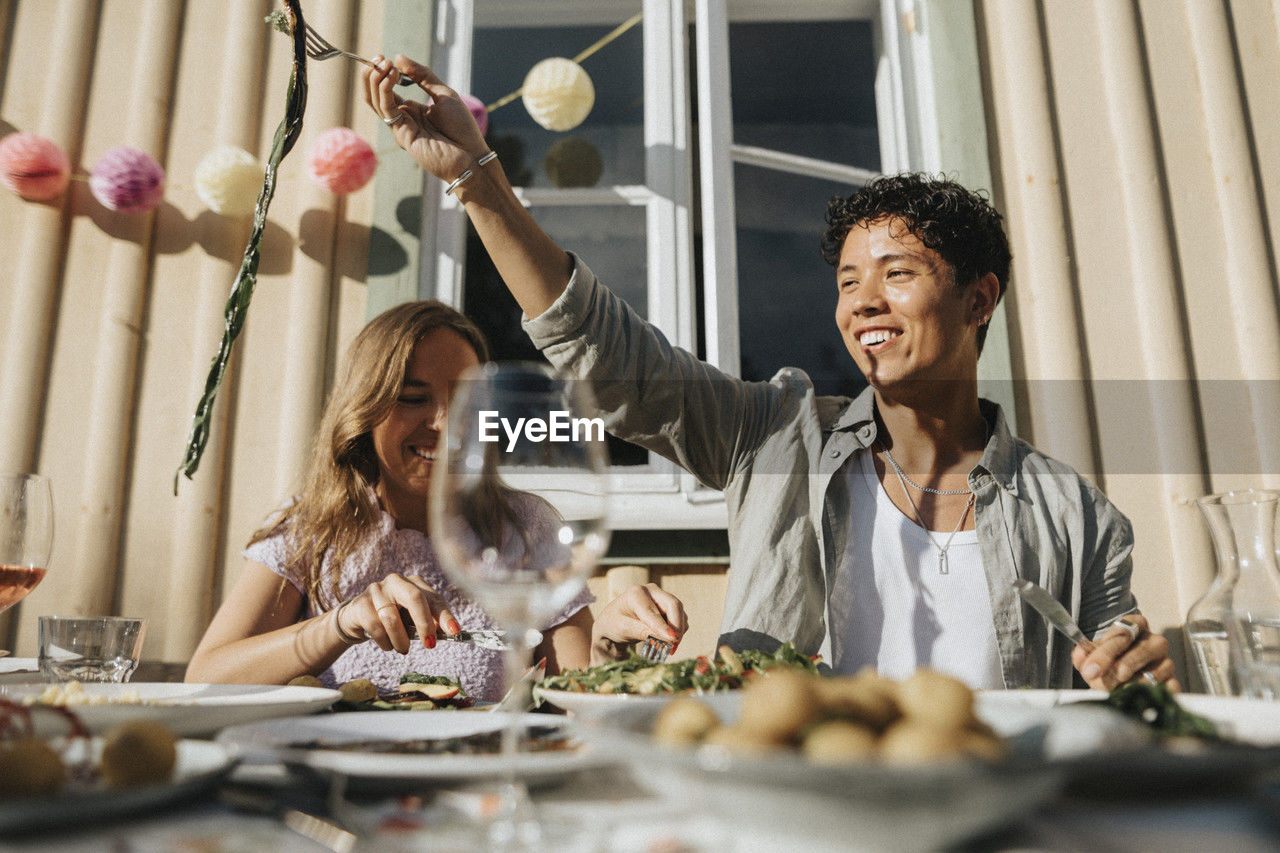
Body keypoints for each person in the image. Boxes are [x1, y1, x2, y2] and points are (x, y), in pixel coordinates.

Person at [358, 54, 1176, 691]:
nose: (863, 303)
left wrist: (1140, 664)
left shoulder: (1079, 518)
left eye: (896, 273)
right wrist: (477, 179)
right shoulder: (775, 431)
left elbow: (1123, 676)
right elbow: (605, 352)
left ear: (978, 298)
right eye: (848, 282)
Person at [185, 301, 686, 702]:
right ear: (365, 407)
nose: (445, 424)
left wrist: (610, 650)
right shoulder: (310, 526)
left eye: (465, 400)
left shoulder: (526, 526)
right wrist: (338, 624)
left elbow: (577, 692)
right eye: (412, 397)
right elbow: (205, 679)